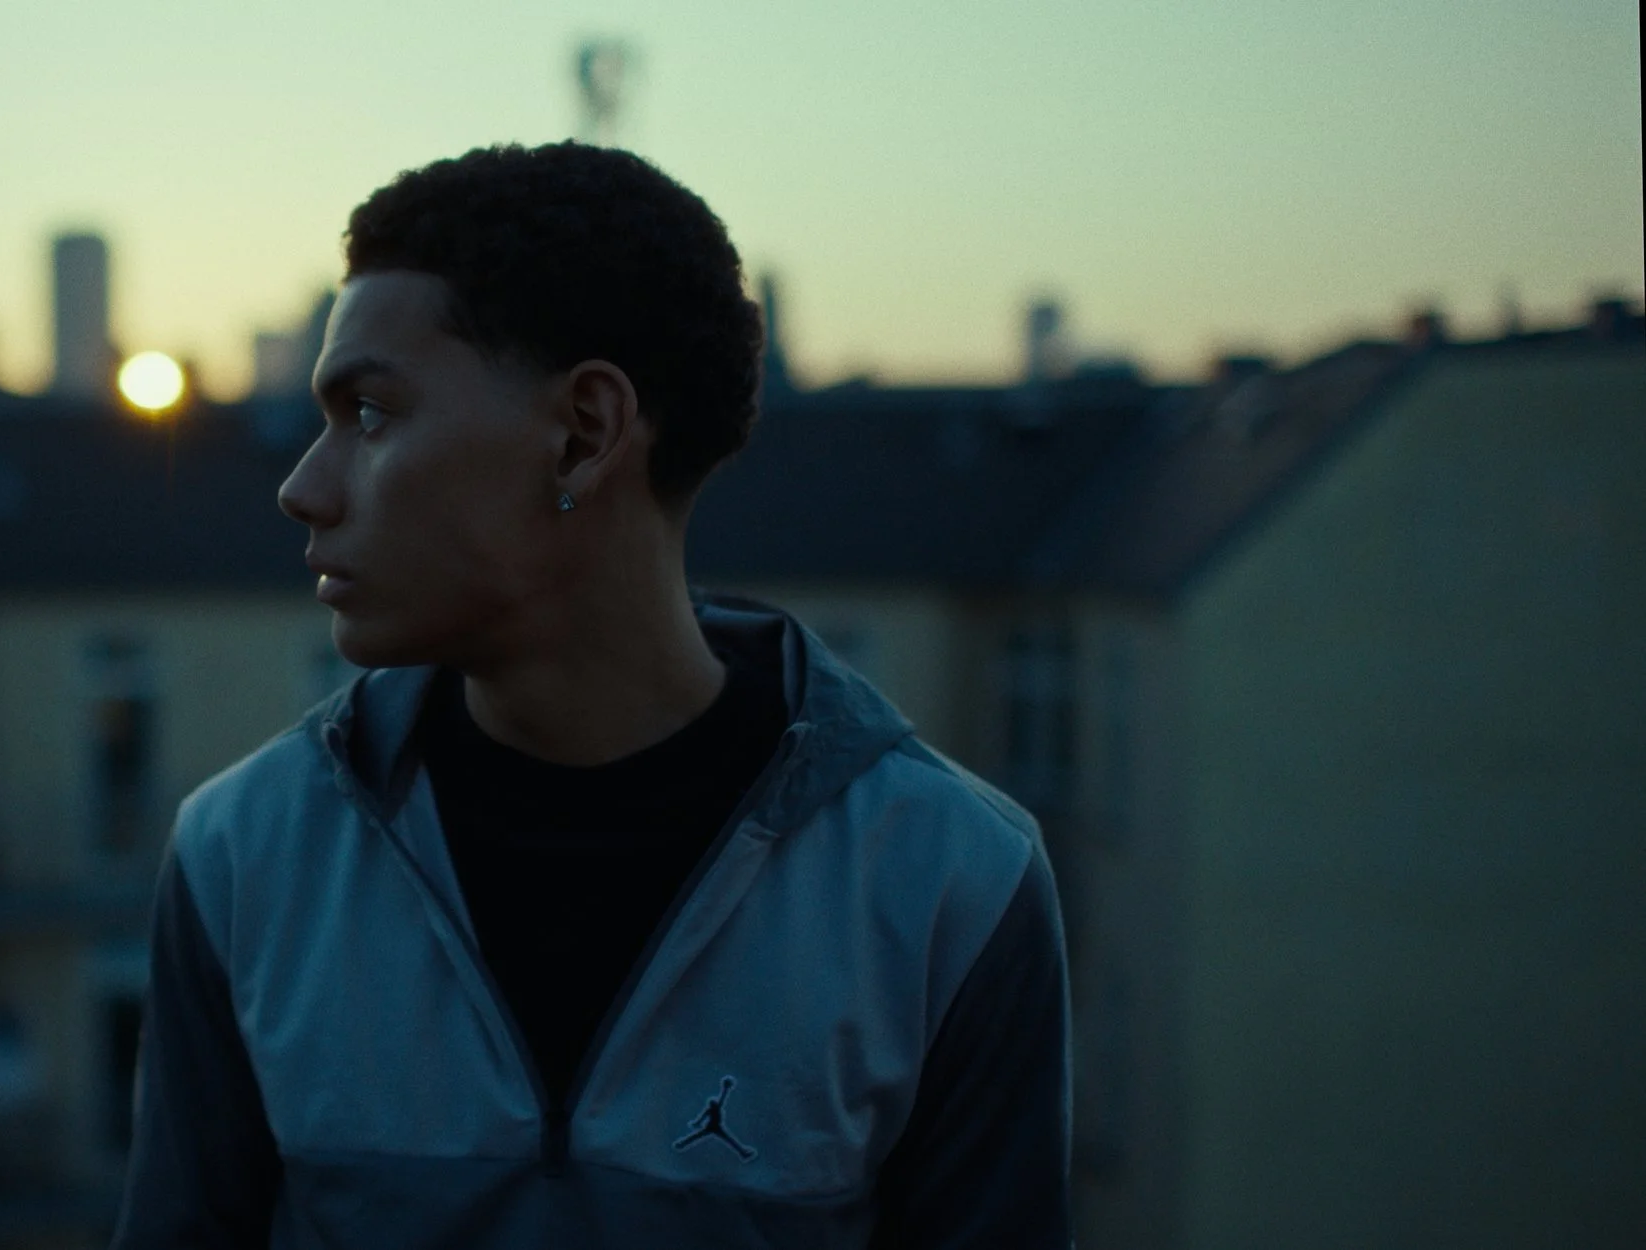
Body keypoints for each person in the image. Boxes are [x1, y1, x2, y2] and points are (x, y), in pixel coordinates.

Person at [111, 142, 1071, 1248]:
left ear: (584, 433)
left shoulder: (949, 884)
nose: (301, 486)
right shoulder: (245, 855)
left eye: (369, 414)